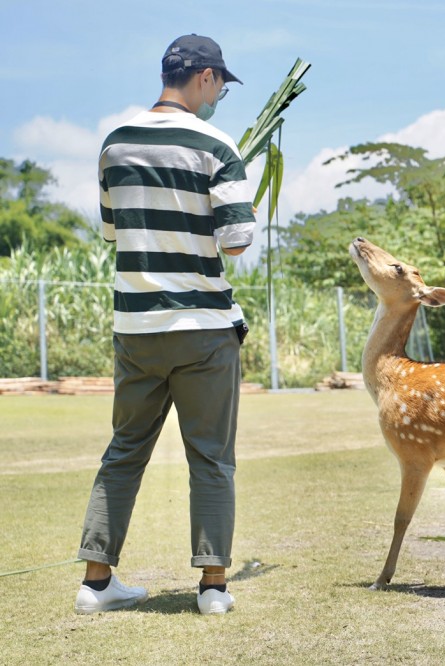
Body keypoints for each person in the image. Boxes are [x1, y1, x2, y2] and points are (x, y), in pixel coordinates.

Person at [74, 34, 255, 615]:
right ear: (204, 77)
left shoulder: (114, 142)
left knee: (123, 451)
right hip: (203, 325)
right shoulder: (218, 144)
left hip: (138, 329)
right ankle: (212, 589)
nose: (221, 93)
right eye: (222, 83)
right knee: (210, 457)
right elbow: (235, 242)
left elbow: (113, 232)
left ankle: (96, 584)